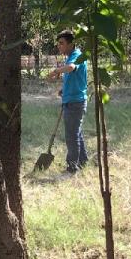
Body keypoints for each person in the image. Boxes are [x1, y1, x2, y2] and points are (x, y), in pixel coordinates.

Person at [49, 30, 88, 173]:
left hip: (75, 102)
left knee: (72, 136)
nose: (59, 46)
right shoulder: (71, 56)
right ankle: (83, 161)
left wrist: (57, 70)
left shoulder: (77, 55)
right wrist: (64, 90)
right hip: (72, 99)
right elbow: (74, 77)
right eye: (58, 43)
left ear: (71, 44)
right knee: (76, 133)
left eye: (62, 43)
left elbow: (71, 68)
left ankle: (72, 167)